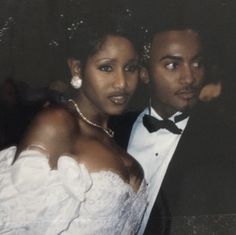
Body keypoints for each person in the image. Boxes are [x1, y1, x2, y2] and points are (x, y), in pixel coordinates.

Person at [0, 13, 147, 234]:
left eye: (130, 68)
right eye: (106, 67)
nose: (122, 83)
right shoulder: (57, 123)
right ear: (77, 69)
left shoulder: (116, 132)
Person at [112, 20, 236, 234]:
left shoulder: (223, 141)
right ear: (145, 74)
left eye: (197, 64)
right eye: (172, 65)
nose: (189, 78)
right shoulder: (112, 127)